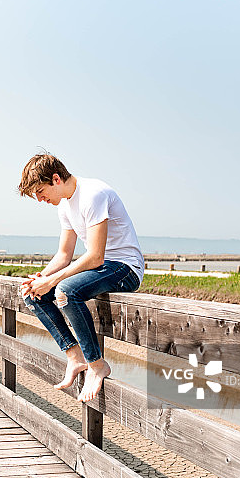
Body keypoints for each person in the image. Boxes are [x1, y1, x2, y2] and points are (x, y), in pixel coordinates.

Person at [18, 153, 144, 402]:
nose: (41, 200)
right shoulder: (64, 205)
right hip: (100, 269)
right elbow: (64, 255)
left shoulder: (93, 194)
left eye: (41, 192)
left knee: (65, 291)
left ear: (56, 179)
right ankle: (75, 357)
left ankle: (97, 365)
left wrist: (52, 282)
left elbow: (95, 256)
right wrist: (40, 278)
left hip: (125, 268)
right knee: (32, 295)